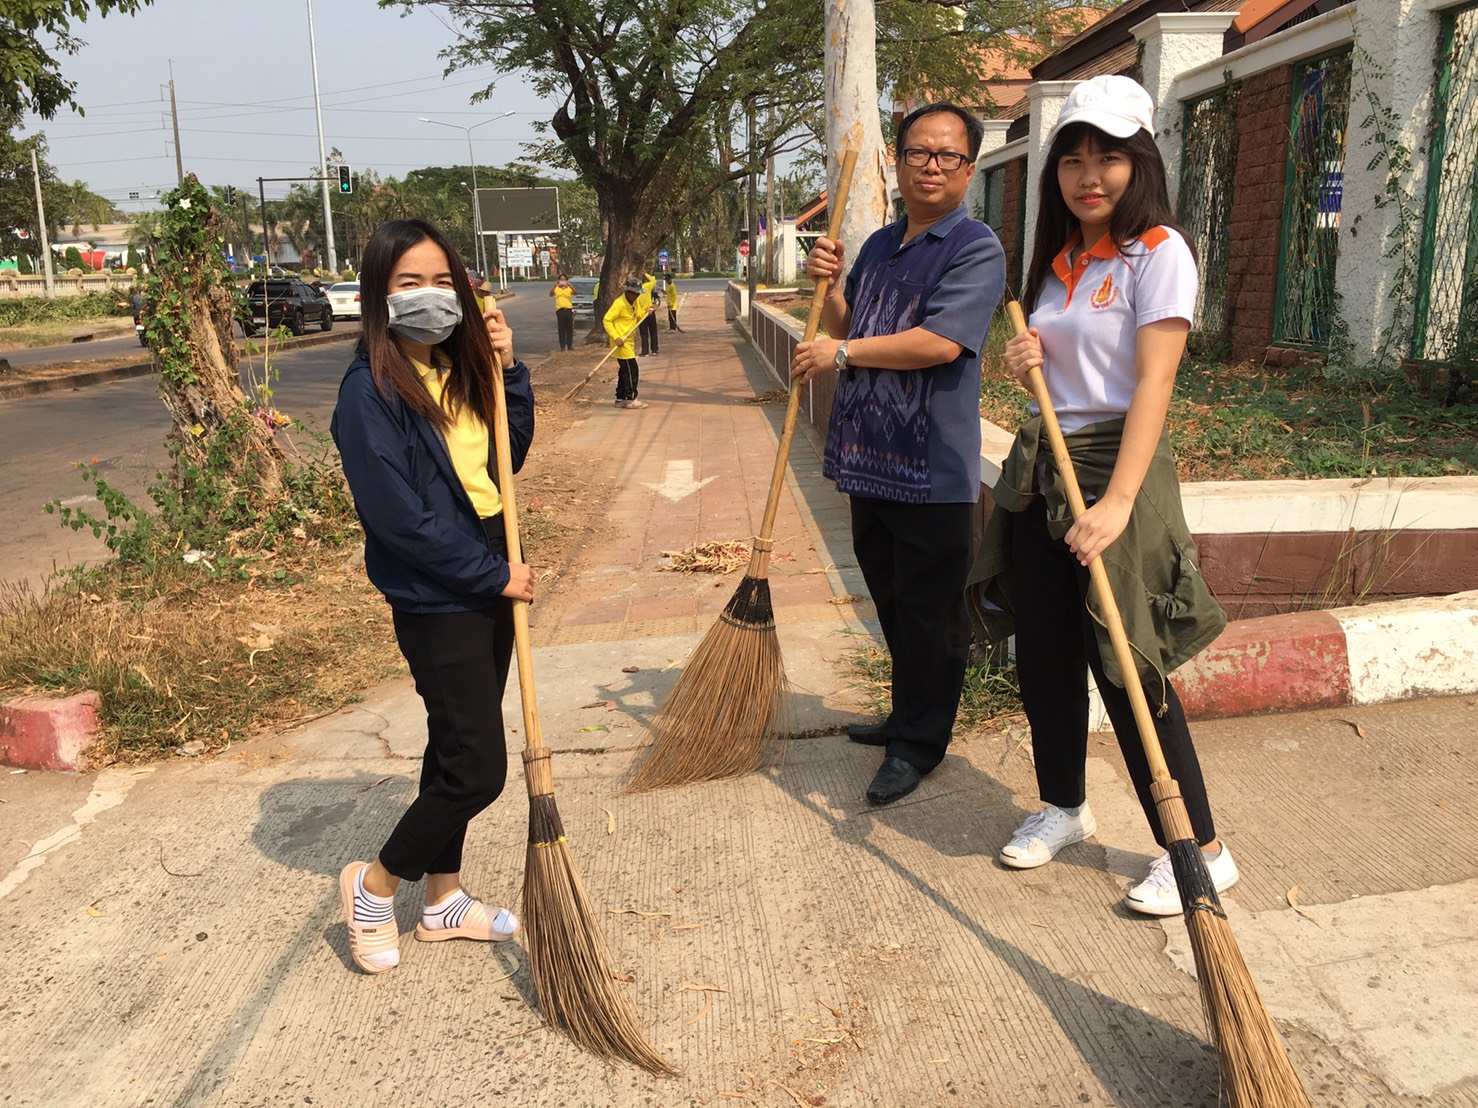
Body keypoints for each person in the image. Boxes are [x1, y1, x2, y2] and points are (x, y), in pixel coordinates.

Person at [964, 75, 1234, 916]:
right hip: (1045, 467)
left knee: (1127, 662)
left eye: (1108, 158)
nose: (1089, 176)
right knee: (1045, 653)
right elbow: (1062, 375)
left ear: (1139, 162)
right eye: (1073, 159)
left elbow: (1154, 384)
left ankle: (1202, 849)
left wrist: (1117, 503)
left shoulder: (1159, 252)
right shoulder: (1059, 263)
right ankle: (1064, 806)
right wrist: (1027, 366)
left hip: (1119, 470)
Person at [329, 218, 536, 973]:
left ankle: (444, 900)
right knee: (479, 768)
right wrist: (491, 575)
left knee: (453, 747)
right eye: (410, 282)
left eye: (443, 281)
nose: (430, 296)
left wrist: (509, 371)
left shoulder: (459, 368)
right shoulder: (369, 393)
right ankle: (375, 885)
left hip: (488, 567)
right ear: (379, 296)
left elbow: (506, 460)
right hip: (437, 592)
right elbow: (399, 520)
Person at [790, 102, 1006, 805]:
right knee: (890, 598)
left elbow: (939, 343)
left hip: (932, 469)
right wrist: (827, 287)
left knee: (930, 615)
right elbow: (852, 324)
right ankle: (905, 715)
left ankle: (920, 743)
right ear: (899, 163)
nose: (931, 166)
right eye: (918, 152)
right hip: (870, 457)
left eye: (947, 155)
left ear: (969, 169)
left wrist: (841, 351)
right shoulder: (881, 244)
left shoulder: (975, 247)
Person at [604, 276, 648, 409]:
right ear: (627, 291)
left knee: (624, 370)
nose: (635, 296)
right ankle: (630, 398)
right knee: (631, 370)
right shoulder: (619, 304)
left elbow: (638, 315)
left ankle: (620, 398)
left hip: (629, 340)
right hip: (621, 342)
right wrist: (616, 336)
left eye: (637, 294)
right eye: (633, 293)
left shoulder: (635, 301)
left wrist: (647, 312)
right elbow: (607, 320)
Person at [550, 272, 575, 351]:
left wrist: (570, 286)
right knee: (561, 329)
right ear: (558, 280)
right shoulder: (556, 288)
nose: (562, 281)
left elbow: (575, 293)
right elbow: (551, 294)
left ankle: (570, 345)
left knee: (569, 329)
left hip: (568, 310)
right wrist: (554, 286)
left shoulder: (569, 288)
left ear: (566, 280)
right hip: (560, 311)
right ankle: (562, 346)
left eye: (564, 279)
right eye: (561, 279)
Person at [638, 268, 659, 355]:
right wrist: (646, 274)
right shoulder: (646, 286)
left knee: (644, 334)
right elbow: (654, 281)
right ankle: (654, 350)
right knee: (653, 332)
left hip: (641, 314)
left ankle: (645, 352)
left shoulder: (634, 292)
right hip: (650, 312)